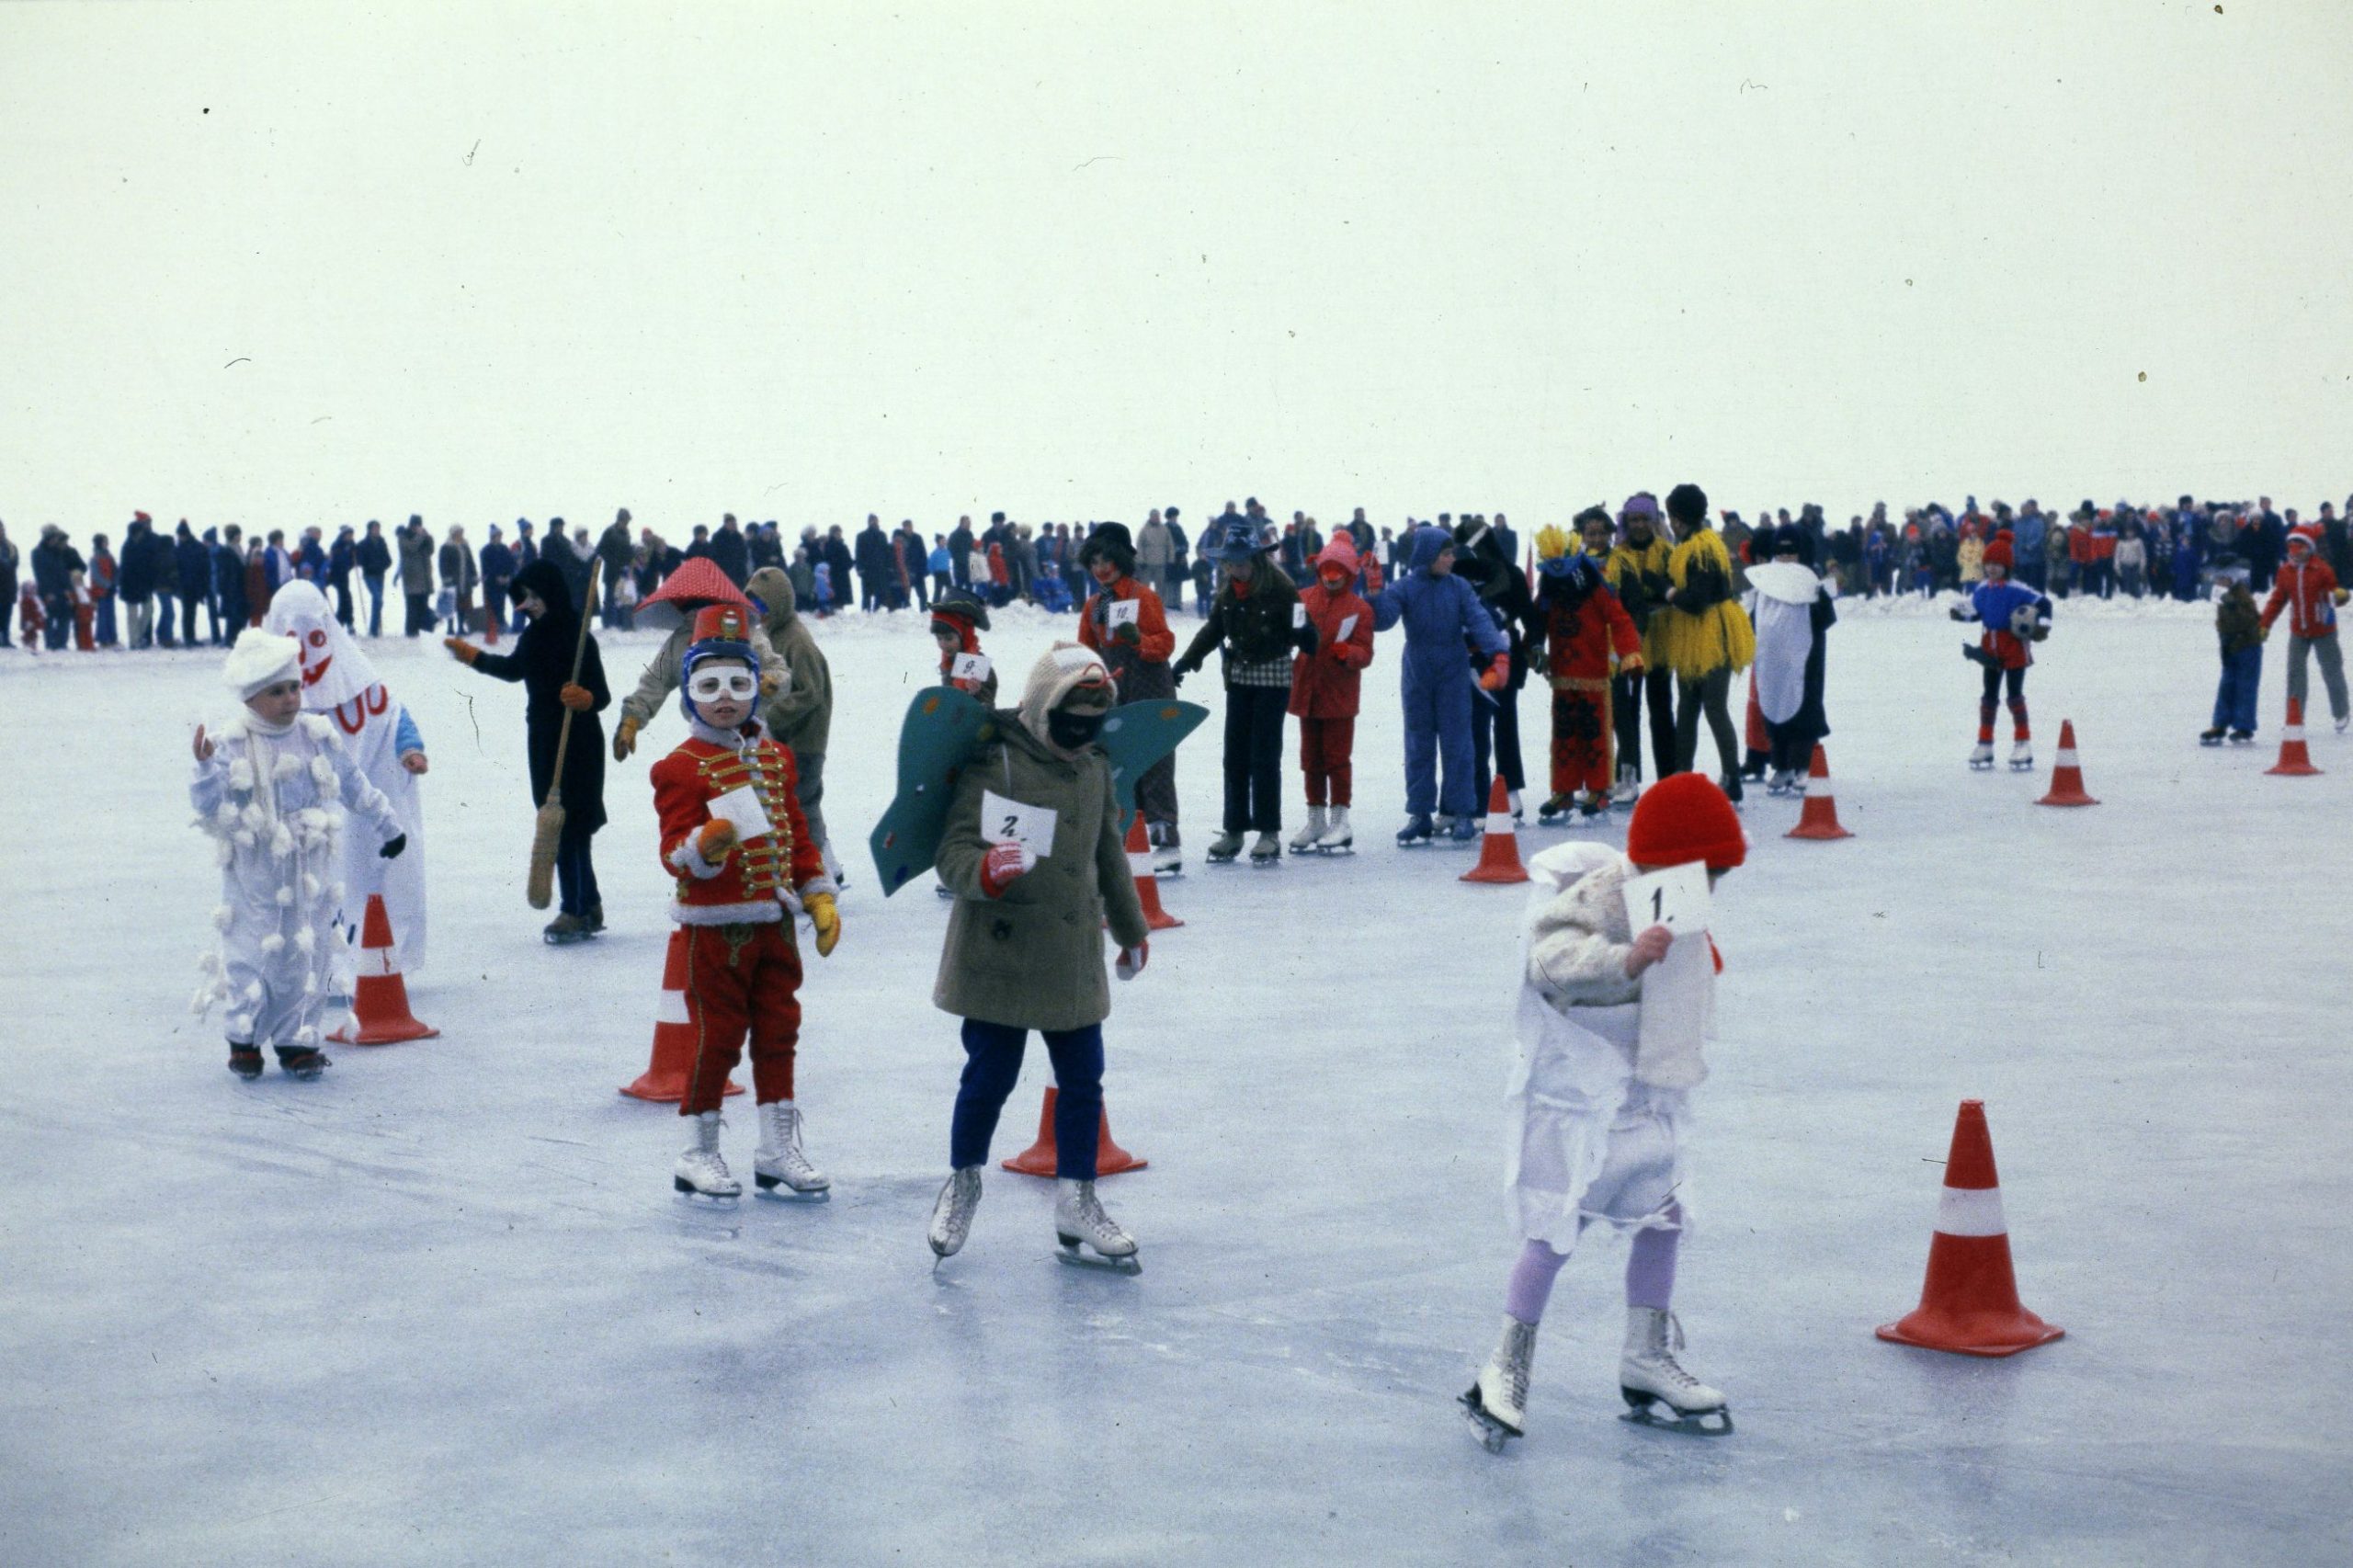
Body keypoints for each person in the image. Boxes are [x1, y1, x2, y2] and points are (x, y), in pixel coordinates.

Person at [1461, 774, 1744, 1450]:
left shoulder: (1679, 895)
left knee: (1665, 1216)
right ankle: (1504, 1365)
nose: (1712, 889)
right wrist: (1624, 958)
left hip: (1646, 1097)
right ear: (1669, 863)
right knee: (1554, 1231)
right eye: (1707, 874)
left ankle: (1645, 1356)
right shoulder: (1603, 893)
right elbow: (1549, 961)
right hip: (1581, 1104)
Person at [923, 643, 1152, 1270]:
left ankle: (1077, 1202)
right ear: (1042, 708)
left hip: (1071, 951)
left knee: (1083, 1080)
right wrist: (985, 869)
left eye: (1091, 726)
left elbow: (1109, 854)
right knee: (989, 1077)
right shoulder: (995, 760)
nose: (1080, 738)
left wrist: (1131, 930)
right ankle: (963, 1182)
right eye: (1069, 724)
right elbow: (954, 850)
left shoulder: (1094, 769)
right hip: (1001, 945)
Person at [652, 605, 842, 1199]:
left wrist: (818, 895)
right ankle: (698, 1151)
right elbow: (672, 853)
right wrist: (702, 847)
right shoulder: (680, 767)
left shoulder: (775, 757)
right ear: (690, 693)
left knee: (780, 1031)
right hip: (717, 930)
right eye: (709, 685)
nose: (726, 697)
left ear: (758, 687)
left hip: (775, 923)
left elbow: (796, 835)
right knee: (719, 1037)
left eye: (739, 683)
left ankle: (777, 1148)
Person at [191, 630, 407, 1082]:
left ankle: (298, 1040)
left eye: (294, 687)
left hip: (310, 861)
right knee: (254, 951)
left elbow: (352, 783)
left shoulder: (316, 734)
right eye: (276, 691)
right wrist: (206, 767)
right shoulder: (230, 742)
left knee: (308, 951)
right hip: (256, 868)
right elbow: (209, 807)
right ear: (252, 697)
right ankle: (243, 1036)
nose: (290, 698)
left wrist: (387, 824)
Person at [264, 581, 432, 972]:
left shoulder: (362, 683)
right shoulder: (266, 698)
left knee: (365, 883)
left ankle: (372, 963)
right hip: (302, 822)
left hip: (362, 822)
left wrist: (410, 748)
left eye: (315, 635)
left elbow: (392, 717)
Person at [443, 560, 612, 942]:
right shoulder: (534, 637)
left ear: (551, 594)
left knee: (572, 826)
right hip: (543, 739)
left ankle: (574, 909)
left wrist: (585, 698)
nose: (527, 605)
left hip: (580, 740)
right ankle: (589, 902)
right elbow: (512, 670)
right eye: (524, 598)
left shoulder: (580, 635)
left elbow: (602, 695)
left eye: (534, 597)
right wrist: (471, 656)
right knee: (559, 822)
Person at [1175, 522, 1310, 865]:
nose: (1236, 568)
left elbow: (1305, 630)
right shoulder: (1230, 590)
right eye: (1231, 563)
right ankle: (1234, 830)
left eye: (1241, 562)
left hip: (1273, 675)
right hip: (1240, 675)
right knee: (1235, 756)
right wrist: (1186, 662)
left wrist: (1306, 633)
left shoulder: (1281, 587)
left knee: (1264, 756)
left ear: (1256, 558)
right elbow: (1214, 628)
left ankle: (1268, 833)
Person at [1372, 524, 1509, 846]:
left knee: (1458, 744)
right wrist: (1376, 594)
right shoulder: (1405, 587)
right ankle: (1419, 814)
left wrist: (1498, 654)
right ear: (1428, 556)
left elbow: (1478, 619)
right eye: (1446, 554)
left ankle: (1463, 812)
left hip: (1452, 671)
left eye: (1451, 554)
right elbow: (1383, 621)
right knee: (1418, 744)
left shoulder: (1458, 587)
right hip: (1418, 673)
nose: (1451, 559)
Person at [1076, 523, 1184, 872]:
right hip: (1114, 692)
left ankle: (1166, 840)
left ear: (1121, 560)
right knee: (1121, 764)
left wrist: (1138, 640)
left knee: (1156, 763)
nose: (1101, 567)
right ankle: (1129, 838)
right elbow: (1087, 653)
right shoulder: (1093, 605)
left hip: (1150, 686)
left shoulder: (1143, 597)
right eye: (1094, 560)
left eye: (1107, 559)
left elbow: (1165, 643)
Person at [611, 559, 784, 762]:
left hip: (750, 732)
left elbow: (779, 671)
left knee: (756, 784)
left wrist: (772, 682)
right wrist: (631, 720)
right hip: (707, 736)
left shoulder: (743, 632)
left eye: (701, 608)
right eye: (690, 610)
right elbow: (654, 684)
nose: (695, 614)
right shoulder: (679, 642)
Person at [1652, 483, 1755, 801]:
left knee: (1710, 706)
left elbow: (1696, 600)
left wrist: (1664, 589)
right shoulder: (1695, 545)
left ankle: (1730, 776)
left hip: (1711, 635)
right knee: (1689, 707)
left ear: (1679, 518)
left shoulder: (1701, 549)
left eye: (1671, 516)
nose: (1670, 523)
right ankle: (1688, 774)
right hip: (1695, 636)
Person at [1532, 528, 1642, 825]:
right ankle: (1564, 790)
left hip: (1593, 673)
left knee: (1595, 733)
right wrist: (1534, 647)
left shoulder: (1595, 586)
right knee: (1564, 734)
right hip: (1563, 676)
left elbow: (1619, 619)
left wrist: (1630, 652)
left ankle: (1598, 789)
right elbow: (1537, 620)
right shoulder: (1550, 589)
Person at [743, 565, 839, 882]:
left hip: (805, 741)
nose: (760, 614)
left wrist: (770, 717)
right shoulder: (770, 637)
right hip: (784, 740)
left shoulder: (797, 640)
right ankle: (826, 866)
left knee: (801, 804)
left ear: (781, 604)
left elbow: (810, 693)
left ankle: (818, 871)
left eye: (765, 606)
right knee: (798, 804)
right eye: (755, 606)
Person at [1283, 533, 1377, 853]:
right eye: (1328, 568)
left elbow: (1365, 652)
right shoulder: (1303, 598)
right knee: (1310, 759)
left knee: (1337, 759)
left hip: (1338, 695)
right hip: (1306, 691)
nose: (1332, 576)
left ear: (1350, 573)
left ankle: (1340, 822)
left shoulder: (1360, 609)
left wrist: (1348, 652)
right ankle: (1316, 820)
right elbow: (1289, 633)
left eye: (1339, 570)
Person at [1455, 517, 1540, 822]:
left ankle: (1510, 791)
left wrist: (1535, 648)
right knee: (1472, 730)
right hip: (1468, 658)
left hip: (1505, 654)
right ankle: (1466, 796)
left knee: (1504, 724)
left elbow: (1531, 617)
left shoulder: (1511, 574)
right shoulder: (1458, 575)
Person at [1743, 525, 1836, 794]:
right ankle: (1781, 765)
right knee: (1774, 710)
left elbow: (1825, 619)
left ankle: (1804, 766)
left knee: (1804, 710)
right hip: (1772, 661)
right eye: (1781, 551)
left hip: (1805, 659)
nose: (1785, 557)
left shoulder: (1810, 581)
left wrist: (1820, 597)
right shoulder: (1765, 584)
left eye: (1791, 552)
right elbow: (1754, 620)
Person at [1950, 531, 2052, 770]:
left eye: (1997, 564)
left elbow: (2044, 603)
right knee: (1989, 697)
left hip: (2014, 647)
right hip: (1990, 648)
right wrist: (1961, 617)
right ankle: (1985, 743)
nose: (1992, 569)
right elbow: (1978, 613)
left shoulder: (2017, 589)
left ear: (2007, 566)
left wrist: (2043, 625)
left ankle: (2022, 743)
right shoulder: (1983, 588)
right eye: (1989, 564)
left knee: (2015, 695)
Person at [1602, 498, 1676, 803]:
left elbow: (1675, 586)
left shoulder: (1667, 552)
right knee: (1625, 709)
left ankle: (1669, 778)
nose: (1639, 525)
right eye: (1634, 520)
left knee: (1660, 707)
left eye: (1645, 519)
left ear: (1654, 521)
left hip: (1660, 637)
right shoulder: (1618, 555)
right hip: (1626, 639)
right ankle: (1626, 776)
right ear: (1625, 523)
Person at [2259, 524, 2349, 732]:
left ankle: (2341, 712)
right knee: (2295, 673)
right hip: (2298, 631)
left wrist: (2340, 596)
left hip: (2323, 630)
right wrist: (2264, 625)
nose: (2295, 554)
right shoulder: (2285, 571)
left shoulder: (2322, 569)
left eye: (2298, 549)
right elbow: (2277, 600)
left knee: (2332, 670)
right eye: (2291, 549)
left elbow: (2332, 595)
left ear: (2308, 548)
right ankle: (2295, 717)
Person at [2202, 580, 2264, 745]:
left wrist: (2234, 606)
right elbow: (2222, 621)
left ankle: (2244, 726)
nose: (2220, 580)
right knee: (2226, 685)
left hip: (2248, 645)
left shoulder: (2241, 593)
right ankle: (2220, 724)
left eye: (2224, 577)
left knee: (2246, 686)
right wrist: (2224, 641)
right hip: (2230, 645)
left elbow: (2251, 620)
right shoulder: (2220, 594)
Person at [31, 525, 82, 651]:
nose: (56, 540)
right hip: (48, 591)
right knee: (49, 618)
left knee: (65, 617)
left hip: (63, 590)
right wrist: (48, 592)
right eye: (54, 537)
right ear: (48, 538)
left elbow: (62, 572)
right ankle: (50, 644)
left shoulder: (58, 551)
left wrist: (68, 589)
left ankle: (61, 644)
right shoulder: (38, 553)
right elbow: (41, 575)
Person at [396, 517, 435, 637]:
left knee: (423, 605)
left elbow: (430, 551)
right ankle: (411, 632)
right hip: (412, 579)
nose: (418, 528)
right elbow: (411, 548)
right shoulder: (403, 537)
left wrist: (428, 538)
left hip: (424, 578)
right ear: (412, 525)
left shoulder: (422, 537)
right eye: (416, 525)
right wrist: (421, 536)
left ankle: (420, 630)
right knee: (412, 607)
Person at [439, 526, 478, 635]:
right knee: (451, 604)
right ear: (453, 534)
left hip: (465, 580)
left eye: (461, 533)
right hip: (452, 581)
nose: (460, 535)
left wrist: (474, 576)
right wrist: (446, 579)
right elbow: (443, 565)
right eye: (458, 533)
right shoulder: (446, 547)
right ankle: (450, 628)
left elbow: (471, 562)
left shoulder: (465, 546)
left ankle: (461, 627)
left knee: (463, 604)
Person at [480, 525, 515, 640]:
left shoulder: (504, 548)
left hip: (504, 582)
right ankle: (494, 627)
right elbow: (486, 567)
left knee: (502, 603)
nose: (500, 537)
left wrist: (507, 576)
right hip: (491, 583)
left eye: (500, 535)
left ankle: (502, 624)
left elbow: (510, 563)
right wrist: (496, 577)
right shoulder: (485, 550)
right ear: (492, 536)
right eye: (498, 535)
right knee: (493, 605)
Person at [356, 521, 391, 637]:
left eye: (378, 528)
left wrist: (383, 565)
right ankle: (373, 629)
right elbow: (360, 560)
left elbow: (388, 559)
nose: (377, 531)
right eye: (375, 528)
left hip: (380, 575)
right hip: (369, 575)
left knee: (378, 601)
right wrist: (370, 566)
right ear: (370, 530)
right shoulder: (363, 544)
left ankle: (375, 629)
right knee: (378, 599)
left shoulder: (382, 542)